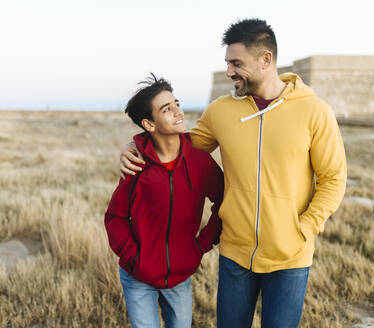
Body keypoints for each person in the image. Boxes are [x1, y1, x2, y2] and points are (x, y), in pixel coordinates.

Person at [119, 19, 347, 328]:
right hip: (235, 253)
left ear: (265, 60)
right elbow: (180, 146)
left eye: (236, 63)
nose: (229, 72)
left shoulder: (314, 111)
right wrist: (137, 146)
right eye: (227, 63)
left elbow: (334, 179)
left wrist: (304, 228)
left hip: (290, 256)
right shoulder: (220, 110)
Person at [104, 73, 224, 328]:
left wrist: (200, 245)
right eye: (167, 109)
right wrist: (134, 257)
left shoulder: (199, 160)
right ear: (149, 124)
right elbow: (115, 217)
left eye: (177, 104)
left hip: (180, 275)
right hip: (137, 276)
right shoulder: (137, 163)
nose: (178, 112)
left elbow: (224, 200)